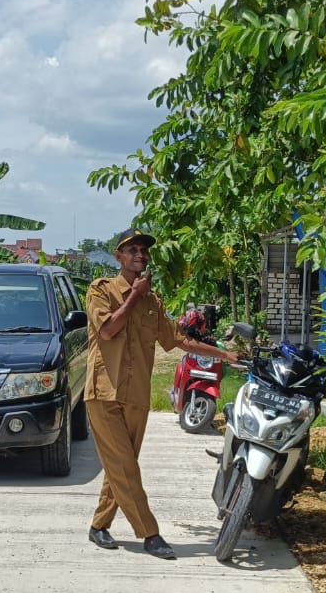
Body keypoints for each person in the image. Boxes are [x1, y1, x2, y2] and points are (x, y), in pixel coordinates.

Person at [84, 230, 240, 559]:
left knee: (121, 466)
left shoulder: (153, 303)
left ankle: (99, 525)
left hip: (136, 395)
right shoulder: (101, 290)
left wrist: (224, 354)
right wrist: (133, 296)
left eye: (144, 251)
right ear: (118, 256)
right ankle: (150, 534)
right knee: (125, 466)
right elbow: (108, 330)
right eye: (133, 250)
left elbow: (179, 339)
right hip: (104, 393)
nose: (140, 255)